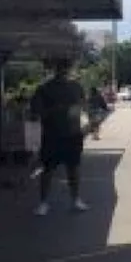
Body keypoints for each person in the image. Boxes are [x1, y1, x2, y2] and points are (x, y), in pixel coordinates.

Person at [28, 59, 89, 215]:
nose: (63, 70)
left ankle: (75, 199)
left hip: (73, 134)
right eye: (60, 67)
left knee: (73, 168)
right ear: (55, 69)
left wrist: (81, 117)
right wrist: (55, 110)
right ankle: (43, 203)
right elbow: (35, 113)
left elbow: (83, 106)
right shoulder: (44, 89)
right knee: (48, 169)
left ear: (68, 69)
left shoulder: (76, 86)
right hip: (52, 135)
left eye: (66, 67)